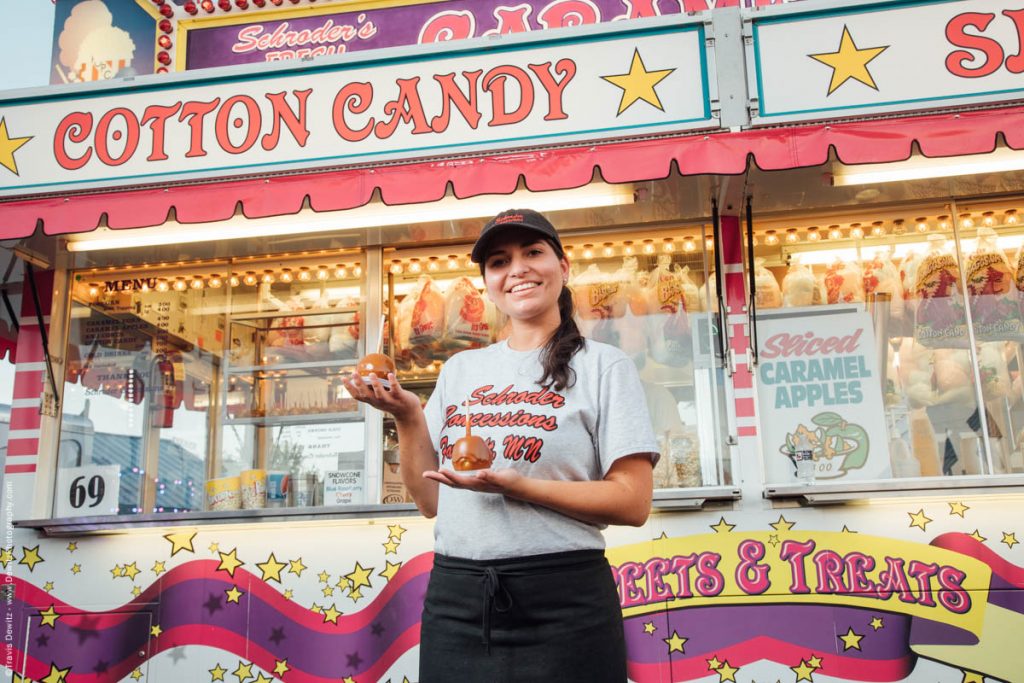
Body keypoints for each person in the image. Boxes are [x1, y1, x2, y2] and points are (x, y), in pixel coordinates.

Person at [343, 208, 659, 682]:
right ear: (489, 282)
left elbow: (633, 502)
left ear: (564, 267)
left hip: (565, 600)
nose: (517, 270)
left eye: (533, 252)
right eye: (499, 261)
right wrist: (408, 416)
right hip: (459, 599)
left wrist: (517, 486)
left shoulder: (605, 367)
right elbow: (430, 501)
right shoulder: (460, 371)